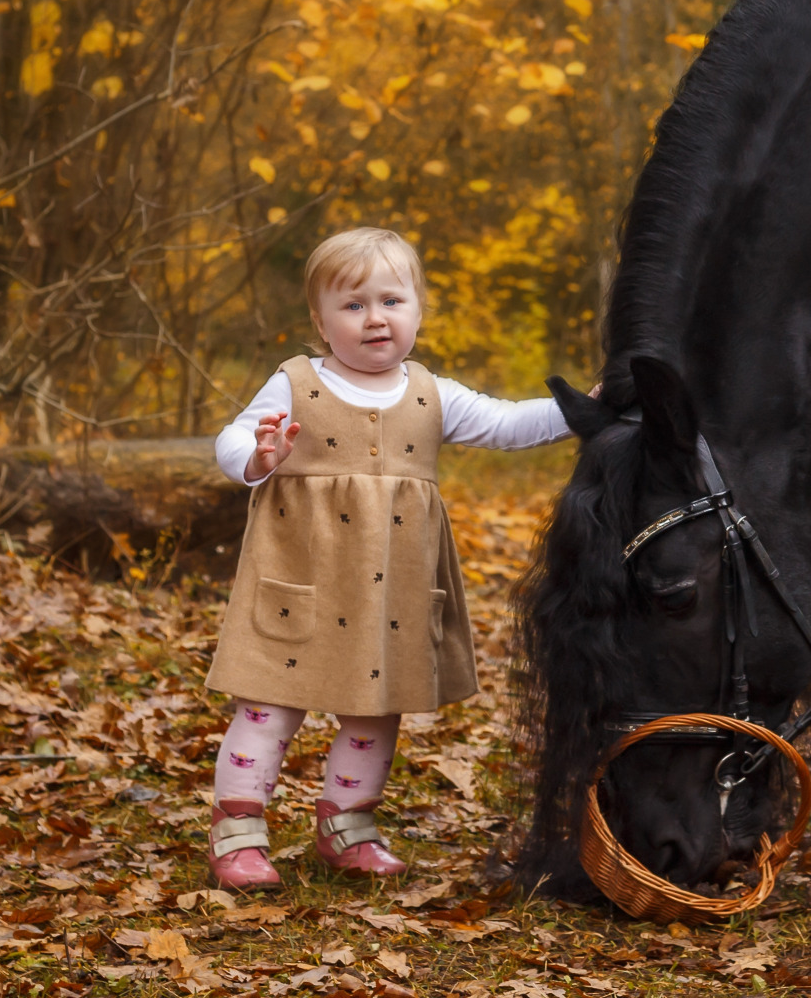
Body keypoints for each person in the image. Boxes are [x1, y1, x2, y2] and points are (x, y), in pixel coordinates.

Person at [204, 227, 586, 890]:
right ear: (321, 325)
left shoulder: (432, 395)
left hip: (388, 591)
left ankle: (347, 825)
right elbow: (233, 434)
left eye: (391, 300)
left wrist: (587, 408)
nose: (375, 317)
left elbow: (509, 422)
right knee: (269, 705)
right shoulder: (296, 383)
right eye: (352, 306)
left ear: (418, 311)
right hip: (302, 578)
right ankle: (239, 832)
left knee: (374, 710)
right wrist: (256, 457)